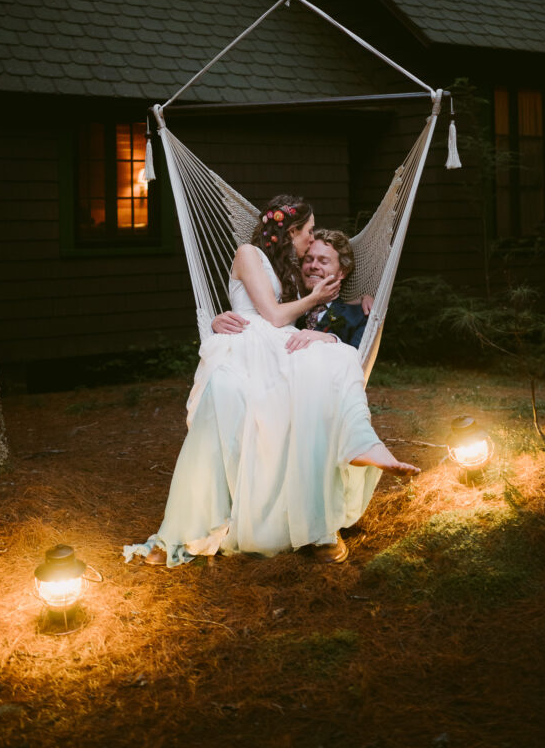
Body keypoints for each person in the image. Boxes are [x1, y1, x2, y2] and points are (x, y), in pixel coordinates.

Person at [124, 195, 419, 569]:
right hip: (253, 347)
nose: (310, 242)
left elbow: (285, 314)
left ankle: (359, 444)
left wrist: (358, 301)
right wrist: (219, 321)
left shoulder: (285, 269)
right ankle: (192, 526)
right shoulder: (248, 252)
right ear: (291, 231)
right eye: (308, 232)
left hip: (271, 345)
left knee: (335, 361)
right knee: (293, 380)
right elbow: (273, 315)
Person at [212, 228, 369, 351]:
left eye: (323, 261)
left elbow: (358, 362)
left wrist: (330, 339)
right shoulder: (282, 304)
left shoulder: (358, 315)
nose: (313, 266)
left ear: (342, 271)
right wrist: (217, 324)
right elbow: (254, 321)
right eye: (308, 259)